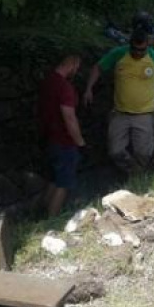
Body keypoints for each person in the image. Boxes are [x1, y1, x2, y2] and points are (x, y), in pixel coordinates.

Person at [84, 29, 154, 175]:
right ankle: (132, 170)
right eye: (135, 49)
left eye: (142, 50)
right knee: (115, 151)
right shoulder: (119, 54)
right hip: (120, 113)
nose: (138, 53)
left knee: (143, 153)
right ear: (130, 45)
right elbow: (98, 68)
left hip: (145, 113)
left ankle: (139, 174)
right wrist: (89, 89)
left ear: (147, 46)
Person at [38, 54, 86, 217]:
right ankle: (52, 220)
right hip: (64, 140)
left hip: (49, 138)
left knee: (53, 178)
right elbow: (69, 117)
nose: (77, 71)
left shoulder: (47, 81)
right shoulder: (64, 87)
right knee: (64, 182)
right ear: (72, 64)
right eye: (77, 67)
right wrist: (80, 142)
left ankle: (41, 214)